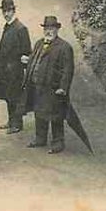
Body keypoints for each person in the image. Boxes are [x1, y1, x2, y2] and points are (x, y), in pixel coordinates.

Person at [22, 16, 74, 154]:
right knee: (39, 112)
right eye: (46, 28)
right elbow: (35, 60)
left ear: (57, 29)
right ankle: (40, 138)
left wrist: (63, 88)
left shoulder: (64, 47)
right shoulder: (39, 43)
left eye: (51, 28)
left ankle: (58, 142)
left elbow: (68, 70)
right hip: (37, 85)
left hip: (53, 88)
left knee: (55, 115)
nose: (48, 31)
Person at [0, 0, 31, 134]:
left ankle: (17, 124)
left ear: (14, 11)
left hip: (15, 70)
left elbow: (26, 51)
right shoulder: (7, 26)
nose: (6, 14)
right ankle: (11, 121)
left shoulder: (21, 28)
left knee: (15, 97)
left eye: (9, 11)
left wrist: (20, 63)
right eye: (4, 11)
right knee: (8, 96)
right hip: (6, 69)